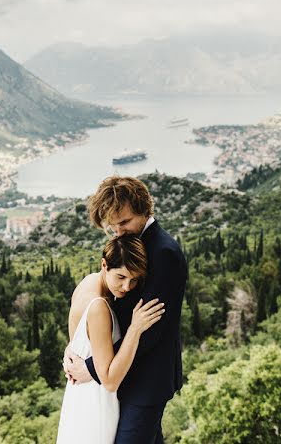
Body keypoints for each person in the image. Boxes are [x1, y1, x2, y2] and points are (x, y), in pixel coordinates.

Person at [63, 176, 188, 443]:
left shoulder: (163, 253)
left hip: (147, 380)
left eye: (125, 222)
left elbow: (150, 330)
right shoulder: (133, 244)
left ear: (145, 210)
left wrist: (93, 367)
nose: (119, 231)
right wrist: (76, 347)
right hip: (125, 376)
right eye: (113, 226)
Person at [56, 234, 165, 444]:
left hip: (79, 394)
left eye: (134, 280)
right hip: (95, 401)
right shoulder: (98, 307)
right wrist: (135, 329)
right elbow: (110, 381)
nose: (126, 287)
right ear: (104, 264)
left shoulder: (88, 282)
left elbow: (78, 342)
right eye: (121, 277)